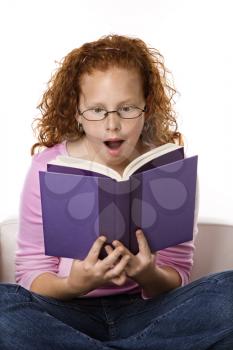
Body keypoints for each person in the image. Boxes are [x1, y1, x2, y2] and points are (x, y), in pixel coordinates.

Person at [0, 34, 232, 350]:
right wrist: (74, 284)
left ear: (146, 107)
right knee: (4, 307)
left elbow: (178, 273)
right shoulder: (47, 166)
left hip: (148, 314)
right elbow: (30, 276)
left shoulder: (166, 168)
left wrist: (149, 274)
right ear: (77, 112)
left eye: (126, 109)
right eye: (97, 110)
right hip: (67, 313)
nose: (112, 125)